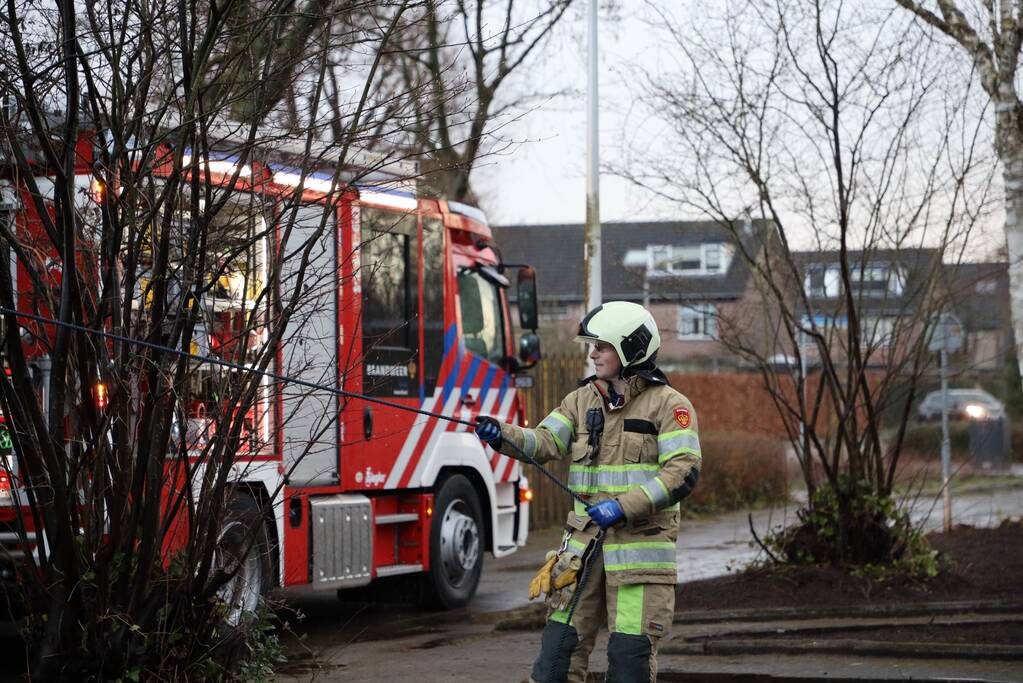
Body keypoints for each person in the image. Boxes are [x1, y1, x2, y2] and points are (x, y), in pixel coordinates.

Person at [474, 301, 702, 683]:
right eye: (591, 345)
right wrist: (503, 434)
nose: (592, 353)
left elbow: (684, 471)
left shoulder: (670, 406)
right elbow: (544, 441)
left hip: (638, 560)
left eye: (602, 346)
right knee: (554, 665)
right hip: (580, 555)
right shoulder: (580, 400)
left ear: (631, 348)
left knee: (630, 665)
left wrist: (622, 507)